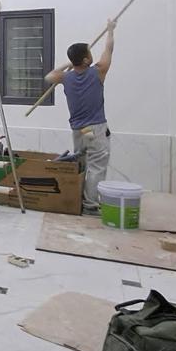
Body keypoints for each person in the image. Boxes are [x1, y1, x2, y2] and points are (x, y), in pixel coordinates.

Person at [44, 19, 116, 215]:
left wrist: (70, 63)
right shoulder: (98, 72)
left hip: (80, 130)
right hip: (95, 128)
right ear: (85, 60)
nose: (92, 55)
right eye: (89, 53)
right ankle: (90, 205)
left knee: (82, 164)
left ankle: (79, 201)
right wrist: (110, 31)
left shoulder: (65, 77)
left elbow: (49, 76)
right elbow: (108, 50)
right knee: (96, 166)